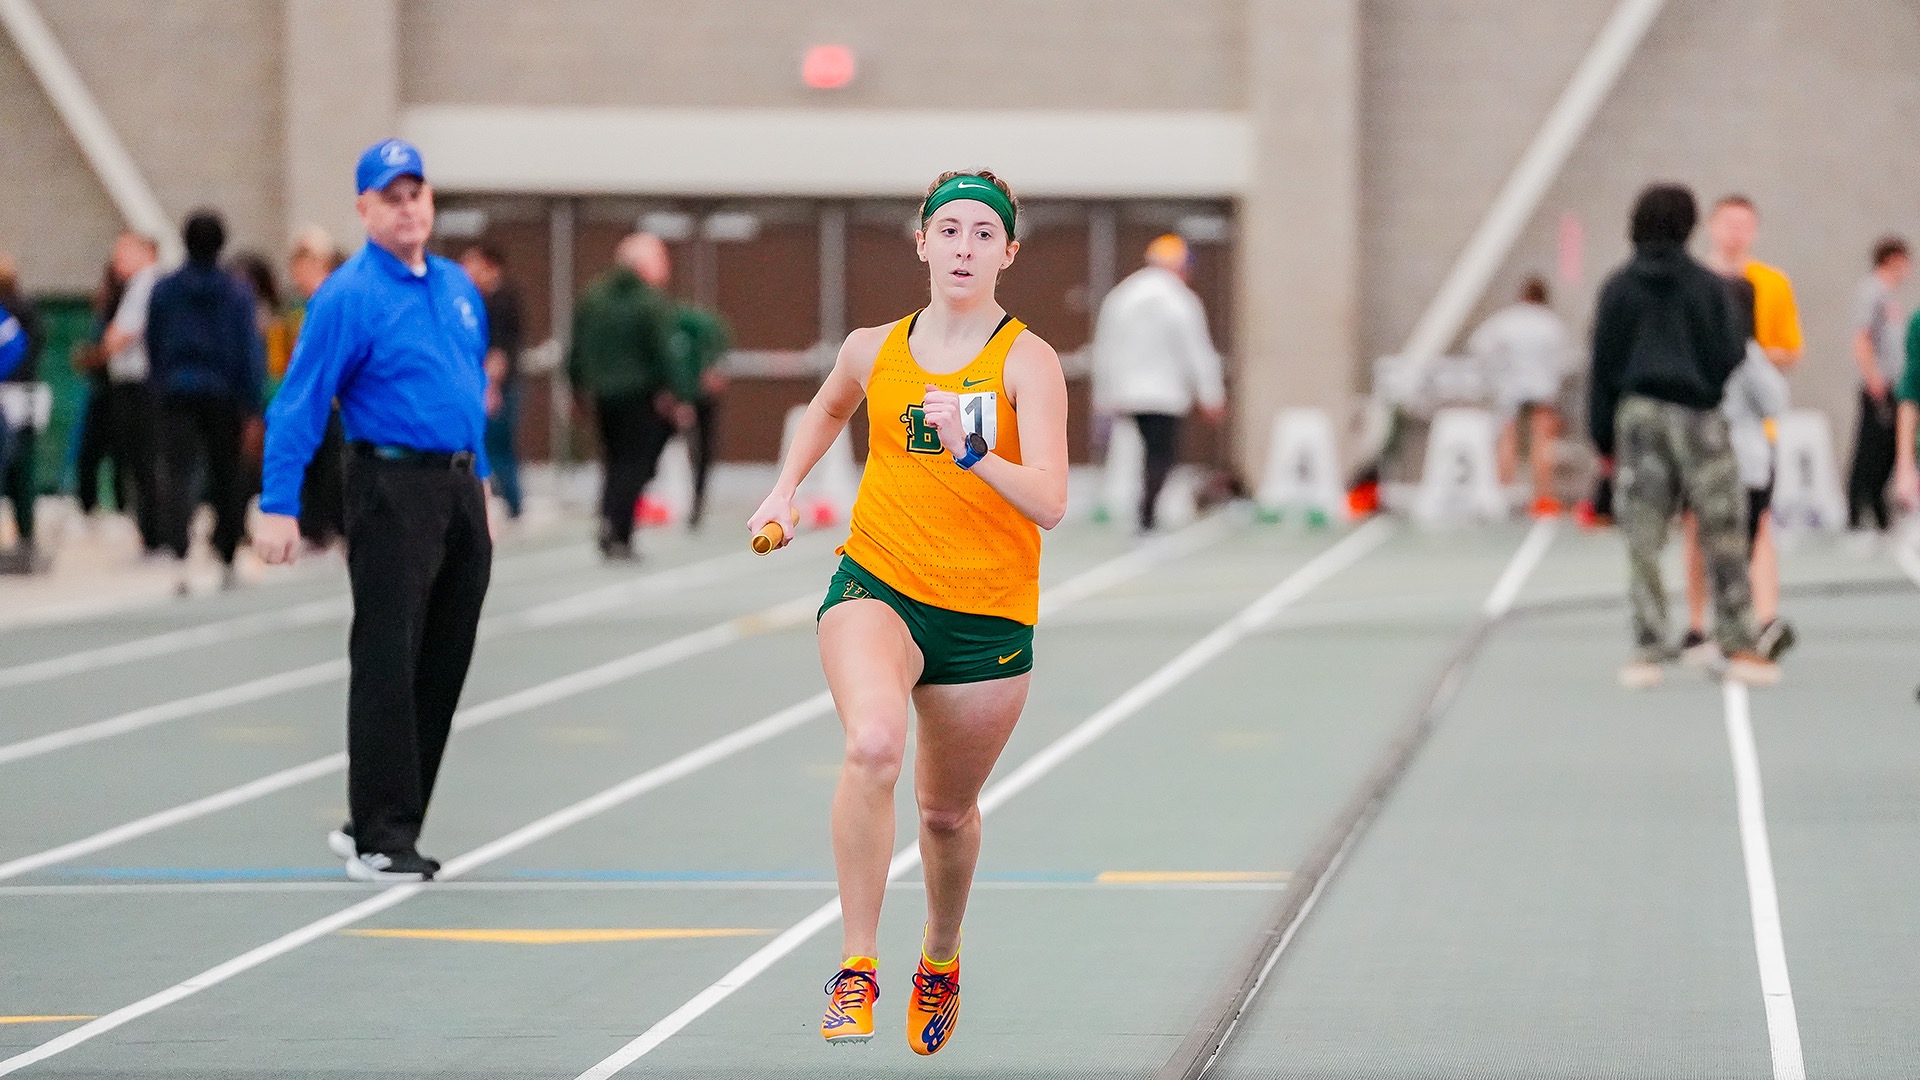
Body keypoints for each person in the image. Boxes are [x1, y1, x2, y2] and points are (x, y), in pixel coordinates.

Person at [749, 169, 1068, 1054]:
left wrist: (975, 452)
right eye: (949, 230)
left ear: (1007, 252)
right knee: (874, 743)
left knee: (943, 816)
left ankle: (941, 954)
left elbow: (1048, 499)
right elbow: (828, 405)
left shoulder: (1026, 361)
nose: (963, 247)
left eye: (982, 234)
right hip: (878, 582)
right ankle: (857, 968)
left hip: (987, 615)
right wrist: (784, 490)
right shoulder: (871, 347)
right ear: (921, 242)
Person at [256, 138, 492, 883]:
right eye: (390, 196)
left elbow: (466, 388)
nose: (407, 207)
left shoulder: (456, 286)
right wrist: (278, 503)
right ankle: (381, 839)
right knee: (388, 658)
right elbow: (299, 401)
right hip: (391, 488)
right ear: (364, 208)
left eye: (416, 193)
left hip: (457, 488)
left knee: (443, 660)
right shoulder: (348, 295)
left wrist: (480, 483)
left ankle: (390, 817)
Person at [1589, 183, 1777, 689]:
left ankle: (1649, 646)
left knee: (1644, 536)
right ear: (1690, 226)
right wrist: (1704, 386)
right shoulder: (1707, 286)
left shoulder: (1618, 288)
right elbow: (1731, 352)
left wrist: (1602, 438)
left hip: (1639, 414)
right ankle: (1738, 640)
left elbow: (1603, 365)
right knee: (1724, 529)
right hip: (1699, 413)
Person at [146, 210, 266, 593]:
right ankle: (227, 557)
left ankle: (180, 557)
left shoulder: (165, 289)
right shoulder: (236, 292)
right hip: (223, 395)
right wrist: (252, 403)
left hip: (177, 392)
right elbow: (249, 349)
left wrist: (161, 382)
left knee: (177, 475)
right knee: (225, 474)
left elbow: (153, 340)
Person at [567, 233, 697, 560]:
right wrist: (678, 395)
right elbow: (664, 353)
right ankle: (619, 530)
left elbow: (576, 348)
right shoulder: (650, 302)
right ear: (643, 265)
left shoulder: (593, 296)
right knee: (634, 465)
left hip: (602, 395)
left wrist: (576, 388)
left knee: (613, 462)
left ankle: (609, 523)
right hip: (640, 396)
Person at [1091, 233, 1224, 533]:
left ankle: (1134, 510)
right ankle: (1147, 514)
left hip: (1127, 393)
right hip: (1164, 396)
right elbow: (1197, 349)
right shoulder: (1180, 300)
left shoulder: (1122, 296)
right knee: (1160, 455)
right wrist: (1211, 394)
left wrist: (1104, 395)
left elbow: (1106, 348)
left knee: (1133, 453)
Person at [626, 242, 732, 529]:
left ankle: (696, 506)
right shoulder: (663, 323)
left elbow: (714, 350)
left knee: (702, 452)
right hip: (669, 399)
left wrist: (708, 372)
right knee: (648, 451)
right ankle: (633, 502)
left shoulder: (695, 324)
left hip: (695, 397)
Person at [1468, 275, 1571, 516]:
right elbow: (1563, 360)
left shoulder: (1507, 320)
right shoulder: (1551, 323)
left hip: (1510, 386)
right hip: (1541, 387)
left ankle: (1502, 496)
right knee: (1542, 441)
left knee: (1507, 440)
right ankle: (1543, 499)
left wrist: (1497, 371)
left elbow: (1479, 345)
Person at [101, 231, 165, 554]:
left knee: (144, 461)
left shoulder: (146, 284)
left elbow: (120, 335)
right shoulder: (133, 287)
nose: (117, 260)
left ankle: (155, 534)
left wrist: (107, 345)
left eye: (124, 252)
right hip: (135, 384)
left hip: (140, 384)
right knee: (139, 462)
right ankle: (153, 532)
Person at [285, 227, 348, 550]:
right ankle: (313, 527)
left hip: (333, 398)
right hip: (306, 398)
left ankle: (337, 525)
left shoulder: (336, 299)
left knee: (333, 465)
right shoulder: (298, 305)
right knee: (309, 463)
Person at [1846, 237, 1910, 538]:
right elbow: (1862, 337)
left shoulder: (1888, 295)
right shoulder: (1872, 292)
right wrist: (1873, 377)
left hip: (1893, 384)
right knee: (1870, 448)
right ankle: (1859, 508)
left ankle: (1879, 507)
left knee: (1887, 448)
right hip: (1880, 385)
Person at [458, 243, 526, 520]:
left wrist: (491, 387)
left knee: (497, 445)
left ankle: (511, 502)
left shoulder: (502, 300)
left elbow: (499, 351)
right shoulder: (476, 298)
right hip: (485, 382)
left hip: (498, 385)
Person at [0, 253, 47, 568]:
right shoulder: (26, 311)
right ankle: (26, 537)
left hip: (16, 397)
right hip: (18, 395)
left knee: (20, 469)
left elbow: (25, 351)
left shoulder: (21, 311)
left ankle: (26, 538)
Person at [73, 260, 127, 520]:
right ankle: (89, 505)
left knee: (120, 455)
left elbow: (108, 350)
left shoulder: (122, 310)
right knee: (90, 454)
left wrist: (93, 356)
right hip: (101, 392)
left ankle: (120, 505)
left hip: (119, 391)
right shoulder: (103, 312)